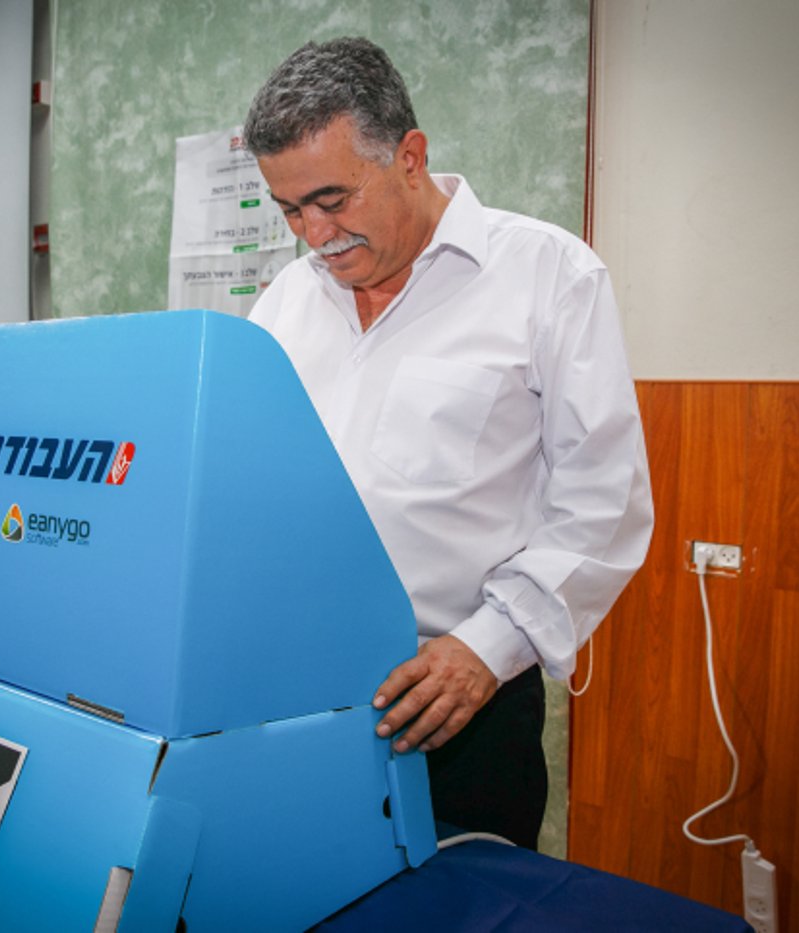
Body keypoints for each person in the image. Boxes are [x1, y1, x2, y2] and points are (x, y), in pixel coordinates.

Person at [243, 37, 652, 849]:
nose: (314, 233)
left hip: (457, 699)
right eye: (290, 210)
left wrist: (488, 648)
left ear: (409, 156)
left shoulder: (548, 276)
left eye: (331, 199)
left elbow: (604, 505)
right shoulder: (286, 300)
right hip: (294, 692)